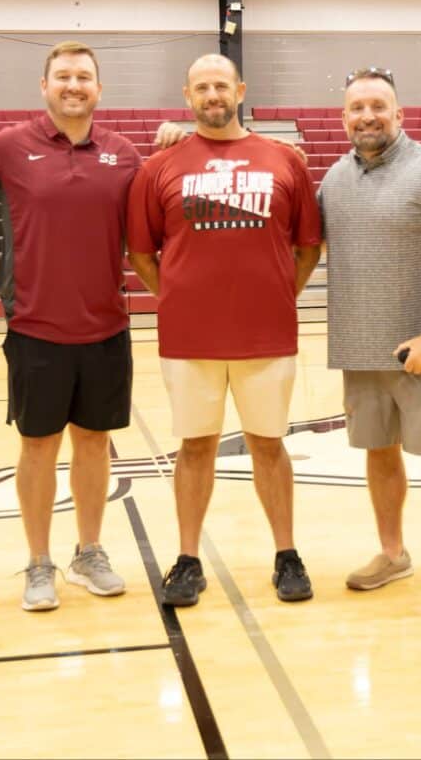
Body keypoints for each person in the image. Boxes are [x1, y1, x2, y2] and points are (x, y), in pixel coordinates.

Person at [127, 54, 323, 607]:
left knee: (268, 444)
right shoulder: (159, 168)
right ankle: (189, 558)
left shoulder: (285, 161)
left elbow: (308, 247)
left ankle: (287, 554)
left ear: (240, 90)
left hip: (267, 336)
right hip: (189, 339)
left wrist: (279, 295)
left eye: (221, 85)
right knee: (195, 446)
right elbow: (141, 253)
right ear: (187, 96)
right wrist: (177, 297)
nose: (212, 95)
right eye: (202, 87)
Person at [0, 42, 142, 611]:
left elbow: (159, 206)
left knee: (95, 443)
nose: (73, 85)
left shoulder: (123, 154)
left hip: (107, 326)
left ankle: (89, 552)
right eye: (63, 76)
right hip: (35, 327)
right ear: (44, 86)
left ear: (99, 89)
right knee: (38, 447)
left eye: (83, 76)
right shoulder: (9, 146)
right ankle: (39, 562)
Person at [319, 67, 421, 609]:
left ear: (399, 114)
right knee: (378, 451)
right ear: (343, 117)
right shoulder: (333, 181)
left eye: (377, 106)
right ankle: (393, 553)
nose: (367, 116)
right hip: (360, 348)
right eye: (356, 107)